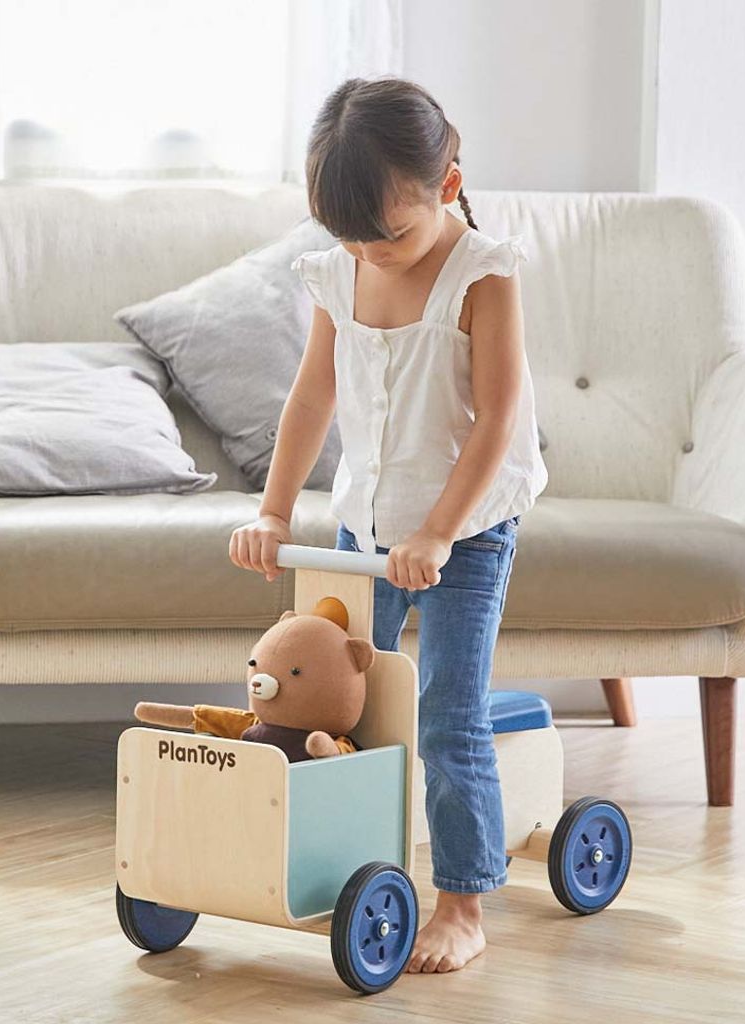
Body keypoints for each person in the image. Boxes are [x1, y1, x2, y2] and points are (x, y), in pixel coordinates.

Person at [229, 76, 548, 974]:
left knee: (445, 713)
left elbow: (495, 420)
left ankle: (463, 900)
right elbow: (312, 396)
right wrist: (273, 509)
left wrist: (441, 535)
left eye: (391, 234)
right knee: (334, 702)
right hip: (363, 530)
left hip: (464, 528)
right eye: (353, 238)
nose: (374, 253)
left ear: (448, 186)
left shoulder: (483, 274)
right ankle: (343, 865)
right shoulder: (343, 272)